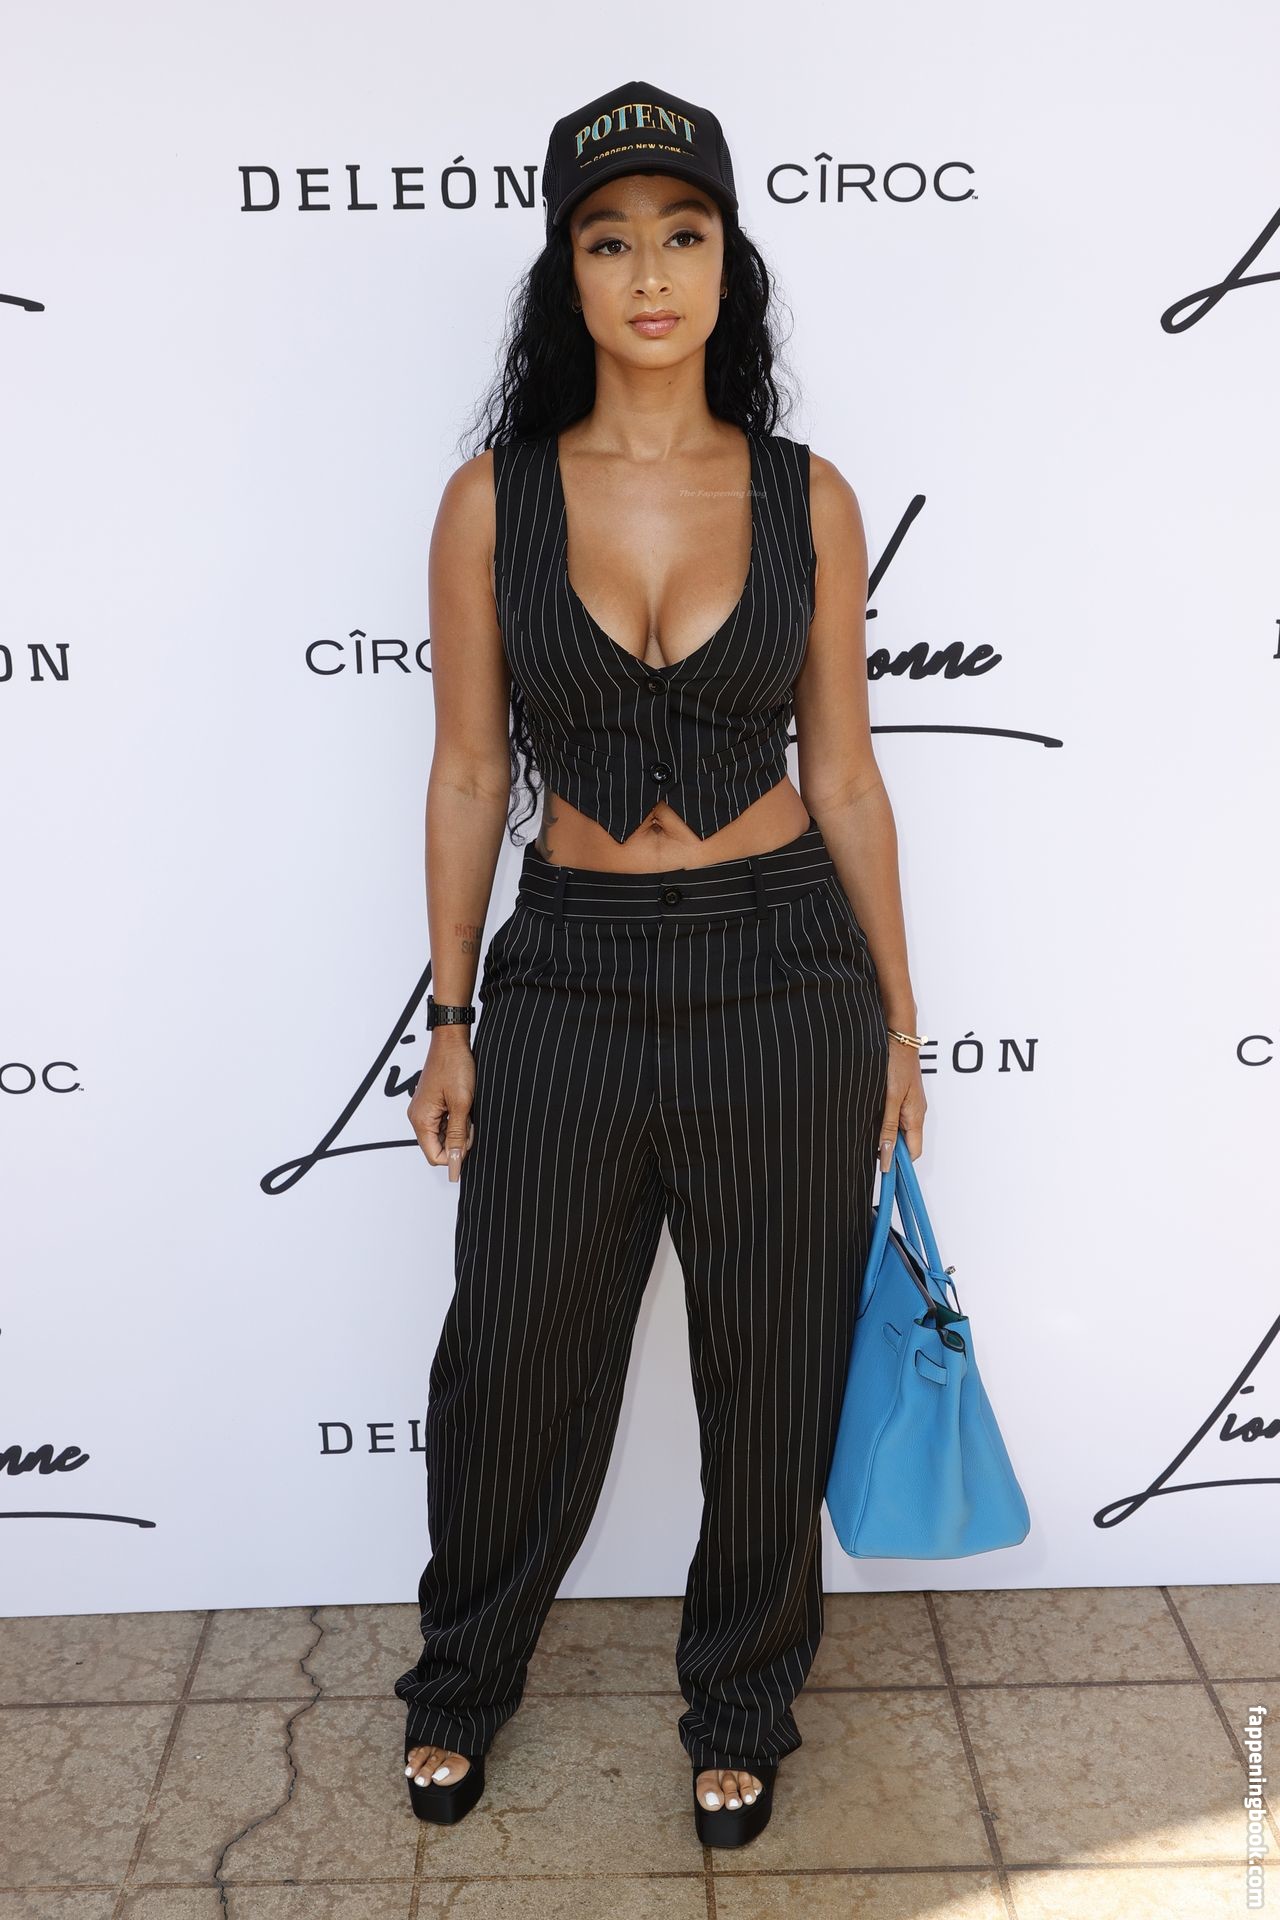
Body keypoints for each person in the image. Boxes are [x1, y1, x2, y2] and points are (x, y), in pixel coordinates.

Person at [392, 78, 927, 1846]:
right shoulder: (493, 501)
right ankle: (461, 1680)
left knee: (772, 1372)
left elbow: (844, 773)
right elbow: (470, 769)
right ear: (568, 273)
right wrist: (452, 1014)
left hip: (784, 973)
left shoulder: (805, 496)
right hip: (569, 975)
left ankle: (744, 1702)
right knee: (513, 1361)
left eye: (683, 236)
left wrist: (902, 1025)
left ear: (727, 264)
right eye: (611, 241)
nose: (649, 274)